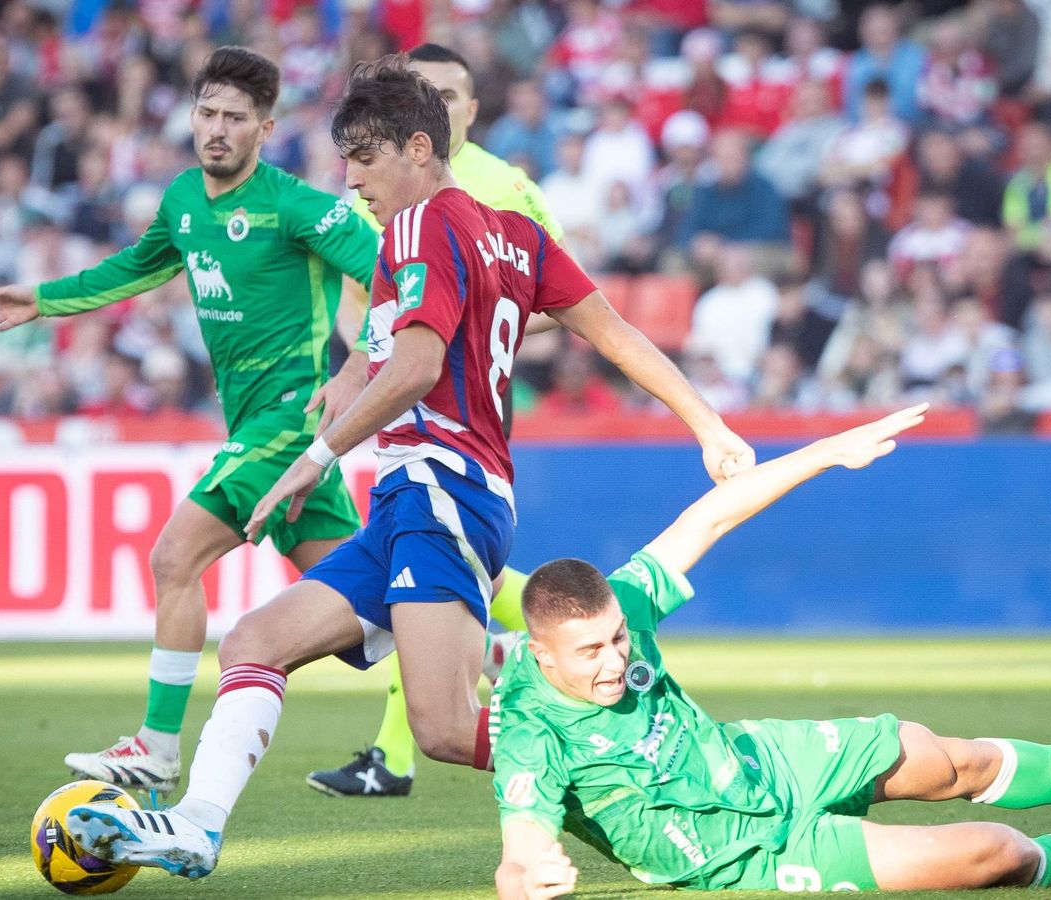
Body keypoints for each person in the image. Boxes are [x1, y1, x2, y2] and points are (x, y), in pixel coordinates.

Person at [64, 55, 753, 878]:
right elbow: (599, 334)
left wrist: (316, 456)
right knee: (253, 640)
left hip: (443, 491)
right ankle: (198, 825)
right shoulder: (512, 235)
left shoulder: (422, 227)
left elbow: (419, 365)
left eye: (364, 157)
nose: (351, 179)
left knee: (443, 729)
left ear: (418, 148)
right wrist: (706, 423)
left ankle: (649, 759)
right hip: (418, 500)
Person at [490, 404, 1051, 898]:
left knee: (949, 759)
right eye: (590, 651)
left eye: (618, 638)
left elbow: (710, 518)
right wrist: (531, 869)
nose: (615, 659)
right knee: (993, 853)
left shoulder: (621, 606)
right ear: (543, 655)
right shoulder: (527, 726)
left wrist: (824, 452)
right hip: (736, 851)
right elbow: (522, 833)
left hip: (761, 761)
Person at [0, 47, 382, 795]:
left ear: (266, 128)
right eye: (208, 113)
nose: (218, 129)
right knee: (373, 606)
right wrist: (44, 297)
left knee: (173, 559)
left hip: (288, 423)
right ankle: (503, 664)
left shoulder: (296, 205)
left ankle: (157, 747)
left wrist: (358, 367)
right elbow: (133, 268)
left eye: (236, 117)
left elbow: (392, 272)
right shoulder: (186, 200)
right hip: (253, 426)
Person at [309, 43, 567, 798]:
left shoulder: (502, 187)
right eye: (431, 92)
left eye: (455, 94)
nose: (444, 105)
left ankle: (568, 643)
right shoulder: (387, 179)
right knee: (424, 589)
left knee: (426, 588)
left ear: (472, 110)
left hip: (459, 426)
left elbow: (554, 298)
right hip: (403, 418)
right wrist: (361, 360)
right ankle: (529, 652)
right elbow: (381, 295)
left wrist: (468, 326)